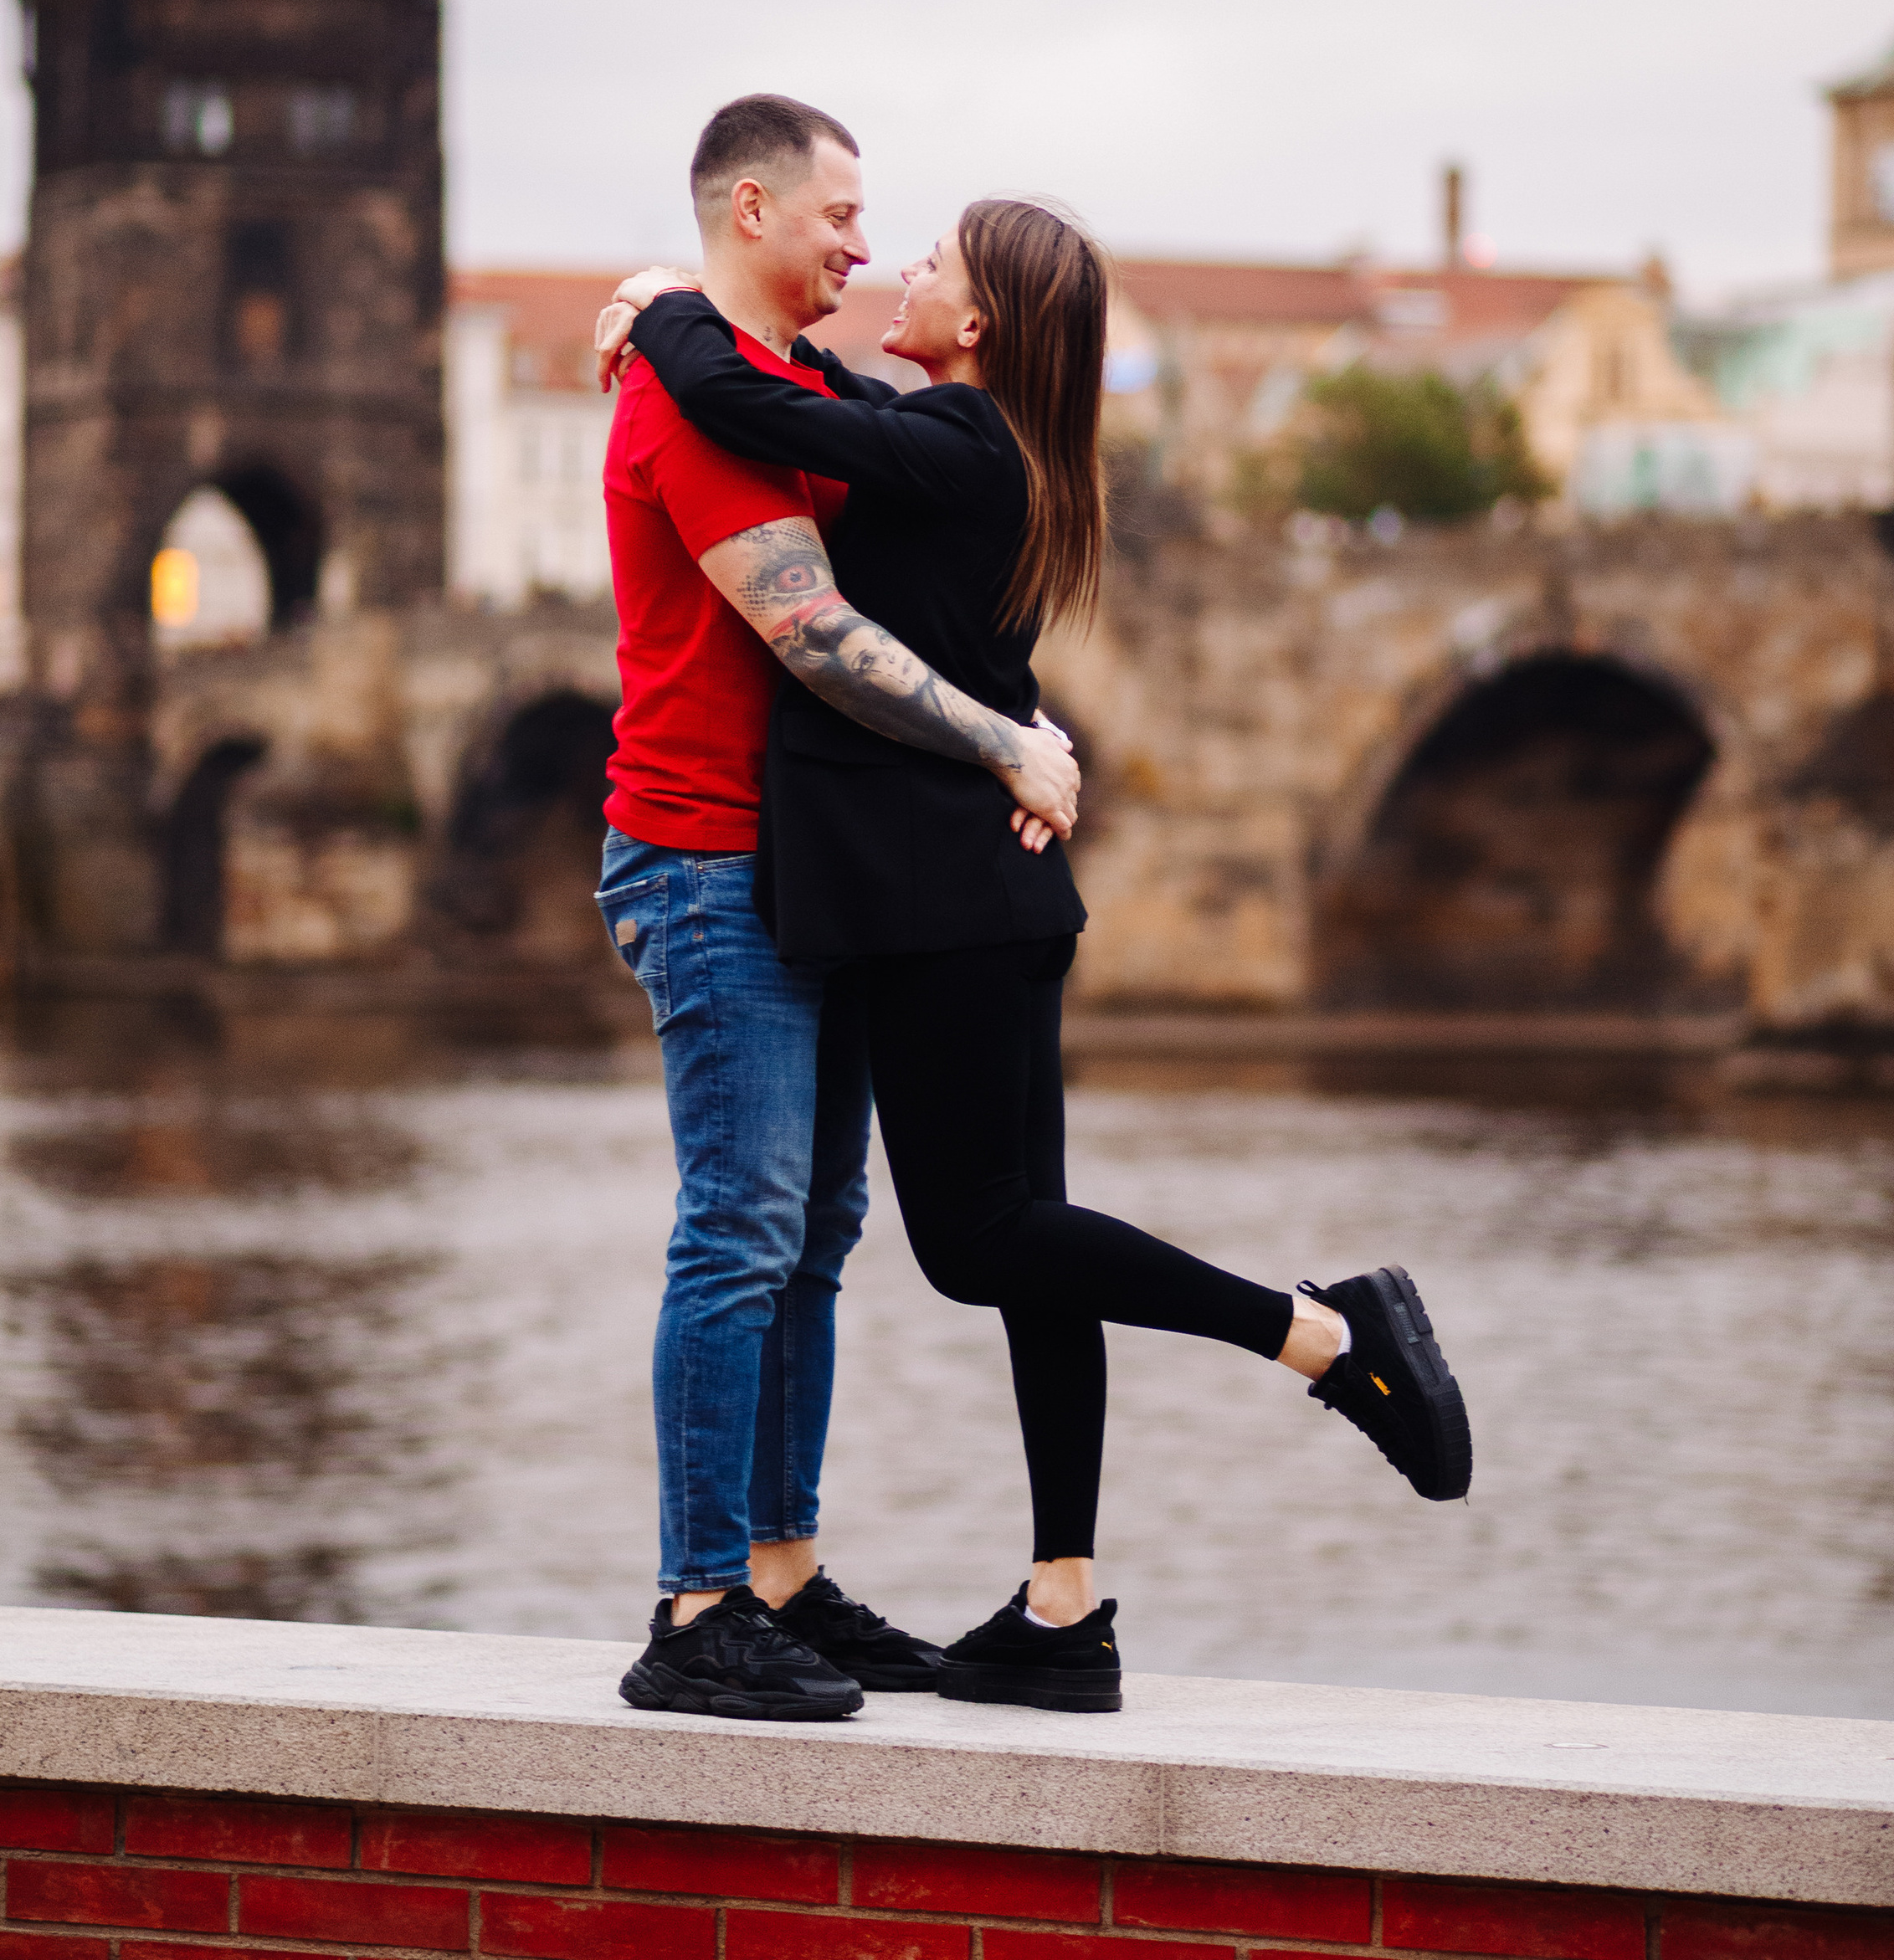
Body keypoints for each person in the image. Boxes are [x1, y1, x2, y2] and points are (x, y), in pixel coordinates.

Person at [603, 197, 1471, 1717]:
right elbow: (809, 401)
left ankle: (1326, 1336)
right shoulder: (983, 447)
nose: (902, 272)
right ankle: (1062, 1607)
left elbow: (743, 392)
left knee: (981, 1242)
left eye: (931, 262)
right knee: (1037, 1240)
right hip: (988, 899)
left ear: (985, 321)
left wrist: (667, 299)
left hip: (938, 904)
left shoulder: (957, 443)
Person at [597, 95, 1081, 1724]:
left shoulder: (787, 385)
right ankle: (694, 1602)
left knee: (815, 1230)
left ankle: (783, 1575)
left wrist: (655, 298)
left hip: (820, 871)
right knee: (740, 1223)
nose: (864, 248)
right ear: (752, 208)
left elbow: (918, 518)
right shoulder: (702, 405)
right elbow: (814, 639)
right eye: (838, 220)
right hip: (708, 850)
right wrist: (1009, 738)